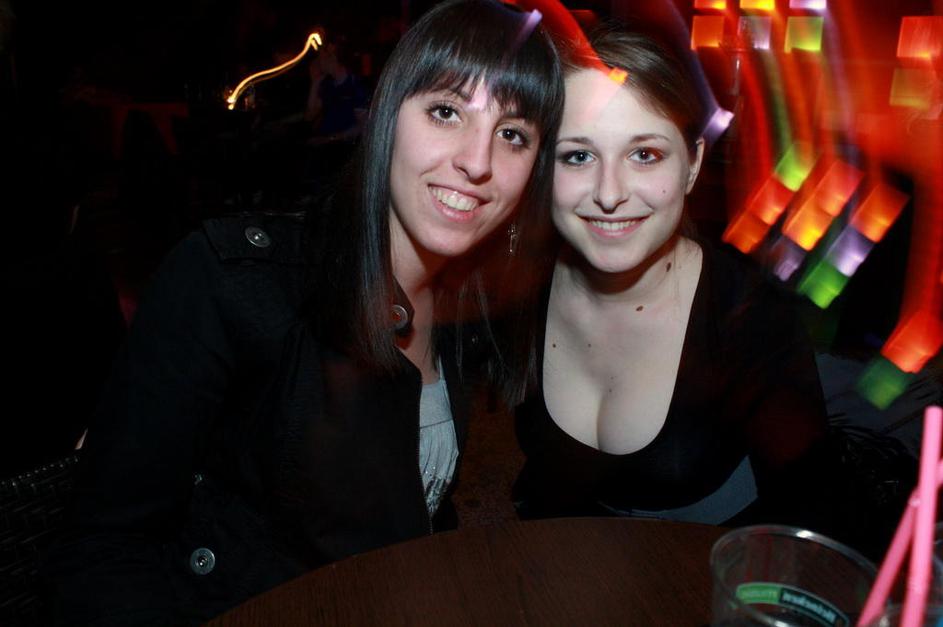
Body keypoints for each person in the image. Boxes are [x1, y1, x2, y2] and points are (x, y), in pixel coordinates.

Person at [43, 1, 563, 624]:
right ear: (387, 115)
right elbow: (99, 553)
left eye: (512, 134)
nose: (478, 161)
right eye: (446, 111)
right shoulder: (232, 282)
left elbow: (409, 509)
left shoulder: (465, 308)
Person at [513, 28, 830, 528]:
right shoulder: (517, 287)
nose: (609, 194)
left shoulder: (752, 316)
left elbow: (805, 519)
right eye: (578, 155)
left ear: (692, 165)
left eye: (644, 154)